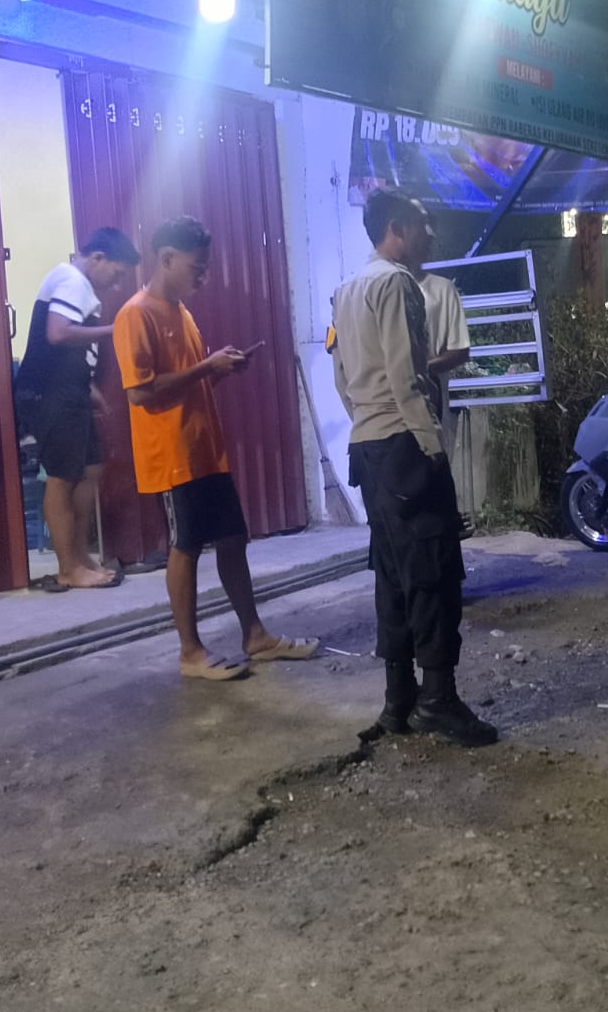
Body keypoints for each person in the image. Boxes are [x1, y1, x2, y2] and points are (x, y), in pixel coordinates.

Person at [113, 217, 318, 681]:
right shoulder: (136, 314)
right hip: (172, 455)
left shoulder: (182, 312)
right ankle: (190, 652)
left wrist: (218, 370)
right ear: (167, 259)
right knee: (185, 546)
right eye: (197, 267)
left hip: (205, 449)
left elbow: (186, 381)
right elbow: (140, 392)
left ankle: (255, 636)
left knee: (232, 539)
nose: (203, 276)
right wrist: (207, 367)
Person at [332, 190, 497, 746]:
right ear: (397, 228)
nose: (431, 234)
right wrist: (431, 446)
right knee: (433, 570)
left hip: (368, 449)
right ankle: (438, 700)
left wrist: (366, 421)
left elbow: (341, 378)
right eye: (423, 224)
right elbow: (408, 377)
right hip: (405, 444)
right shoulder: (397, 284)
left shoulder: (345, 290)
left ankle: (397, 701)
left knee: (392, 574)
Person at [14, 228, 140, 591]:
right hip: (51, 393)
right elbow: (58, 333)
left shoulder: (77, 285)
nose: (116, 284)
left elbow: (70, 350)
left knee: (90, 470)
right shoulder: (72, 280)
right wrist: (114, 330)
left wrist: (90, 389)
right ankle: (68, 568)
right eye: (116, 273)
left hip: (72, 392)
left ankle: (81, 557)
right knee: (63, 476)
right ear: (97, 257)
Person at [412, 261, 473, 534]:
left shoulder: (441, 289)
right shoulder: (374, 286)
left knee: (434, 466)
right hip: (389, 405)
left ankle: (444, 525)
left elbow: (459, 351)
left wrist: (421, 369)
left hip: (430, 394)